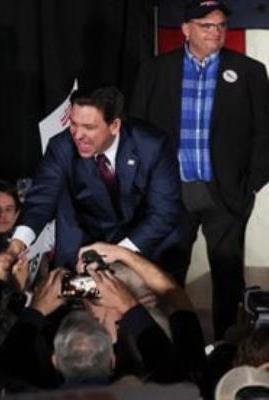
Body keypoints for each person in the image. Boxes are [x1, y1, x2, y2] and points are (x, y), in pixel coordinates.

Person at [129, 0, 269, 339]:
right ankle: (171, 342)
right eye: (206, 26)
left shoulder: (249, 70)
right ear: (186, 29)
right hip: (173, 192)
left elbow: (264, 131)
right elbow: (137, 130)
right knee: (168, 272)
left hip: (226, 192)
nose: (216, 32)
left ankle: (225, 344)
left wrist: (251, 184)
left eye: (221, 26)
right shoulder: (156, 70)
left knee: (227, 273)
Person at [6, 86, 183, 272]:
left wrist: (119, 253)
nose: (77, 135)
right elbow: (41, 200)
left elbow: (164, 212)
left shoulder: (152, 145)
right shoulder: (61, 146)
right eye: (73, 124)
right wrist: (15, 246)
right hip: (85, 243)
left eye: (89, 127)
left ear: (114, 125)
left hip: (147, 244)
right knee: (72, 294)